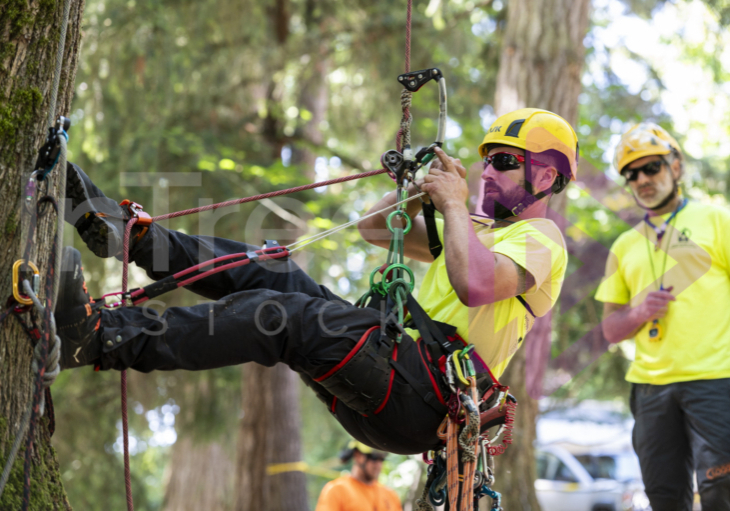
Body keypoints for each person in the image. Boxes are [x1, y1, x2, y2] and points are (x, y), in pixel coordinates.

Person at [56, 108, 574, 455]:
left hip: (426, 399)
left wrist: (455, 205)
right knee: (273, 273)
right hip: (395, 366)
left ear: (546, 178)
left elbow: (476, 286)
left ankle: (101, 337)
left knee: (286, 317)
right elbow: (377, 229)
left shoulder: (544, 240)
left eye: (505, 163)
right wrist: (416, 192)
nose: (487, 171)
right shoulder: (475, 231)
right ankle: (133, 239)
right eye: (487, 160)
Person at [595, 122, 730, 510]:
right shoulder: (624, 246)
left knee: (722, 493)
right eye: (631, 174)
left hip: (715, 382)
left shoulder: (716, 221)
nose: (641, 179)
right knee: (665, 498)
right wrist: (639, 312)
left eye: (651, 167)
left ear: (676, 167)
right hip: (650, 391)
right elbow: (610, 329)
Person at [314, 441, 401, 511]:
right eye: (374, 458)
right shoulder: (336, 490)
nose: (378, 465)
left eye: (381, 459)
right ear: (358, 455)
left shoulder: (390, 495)